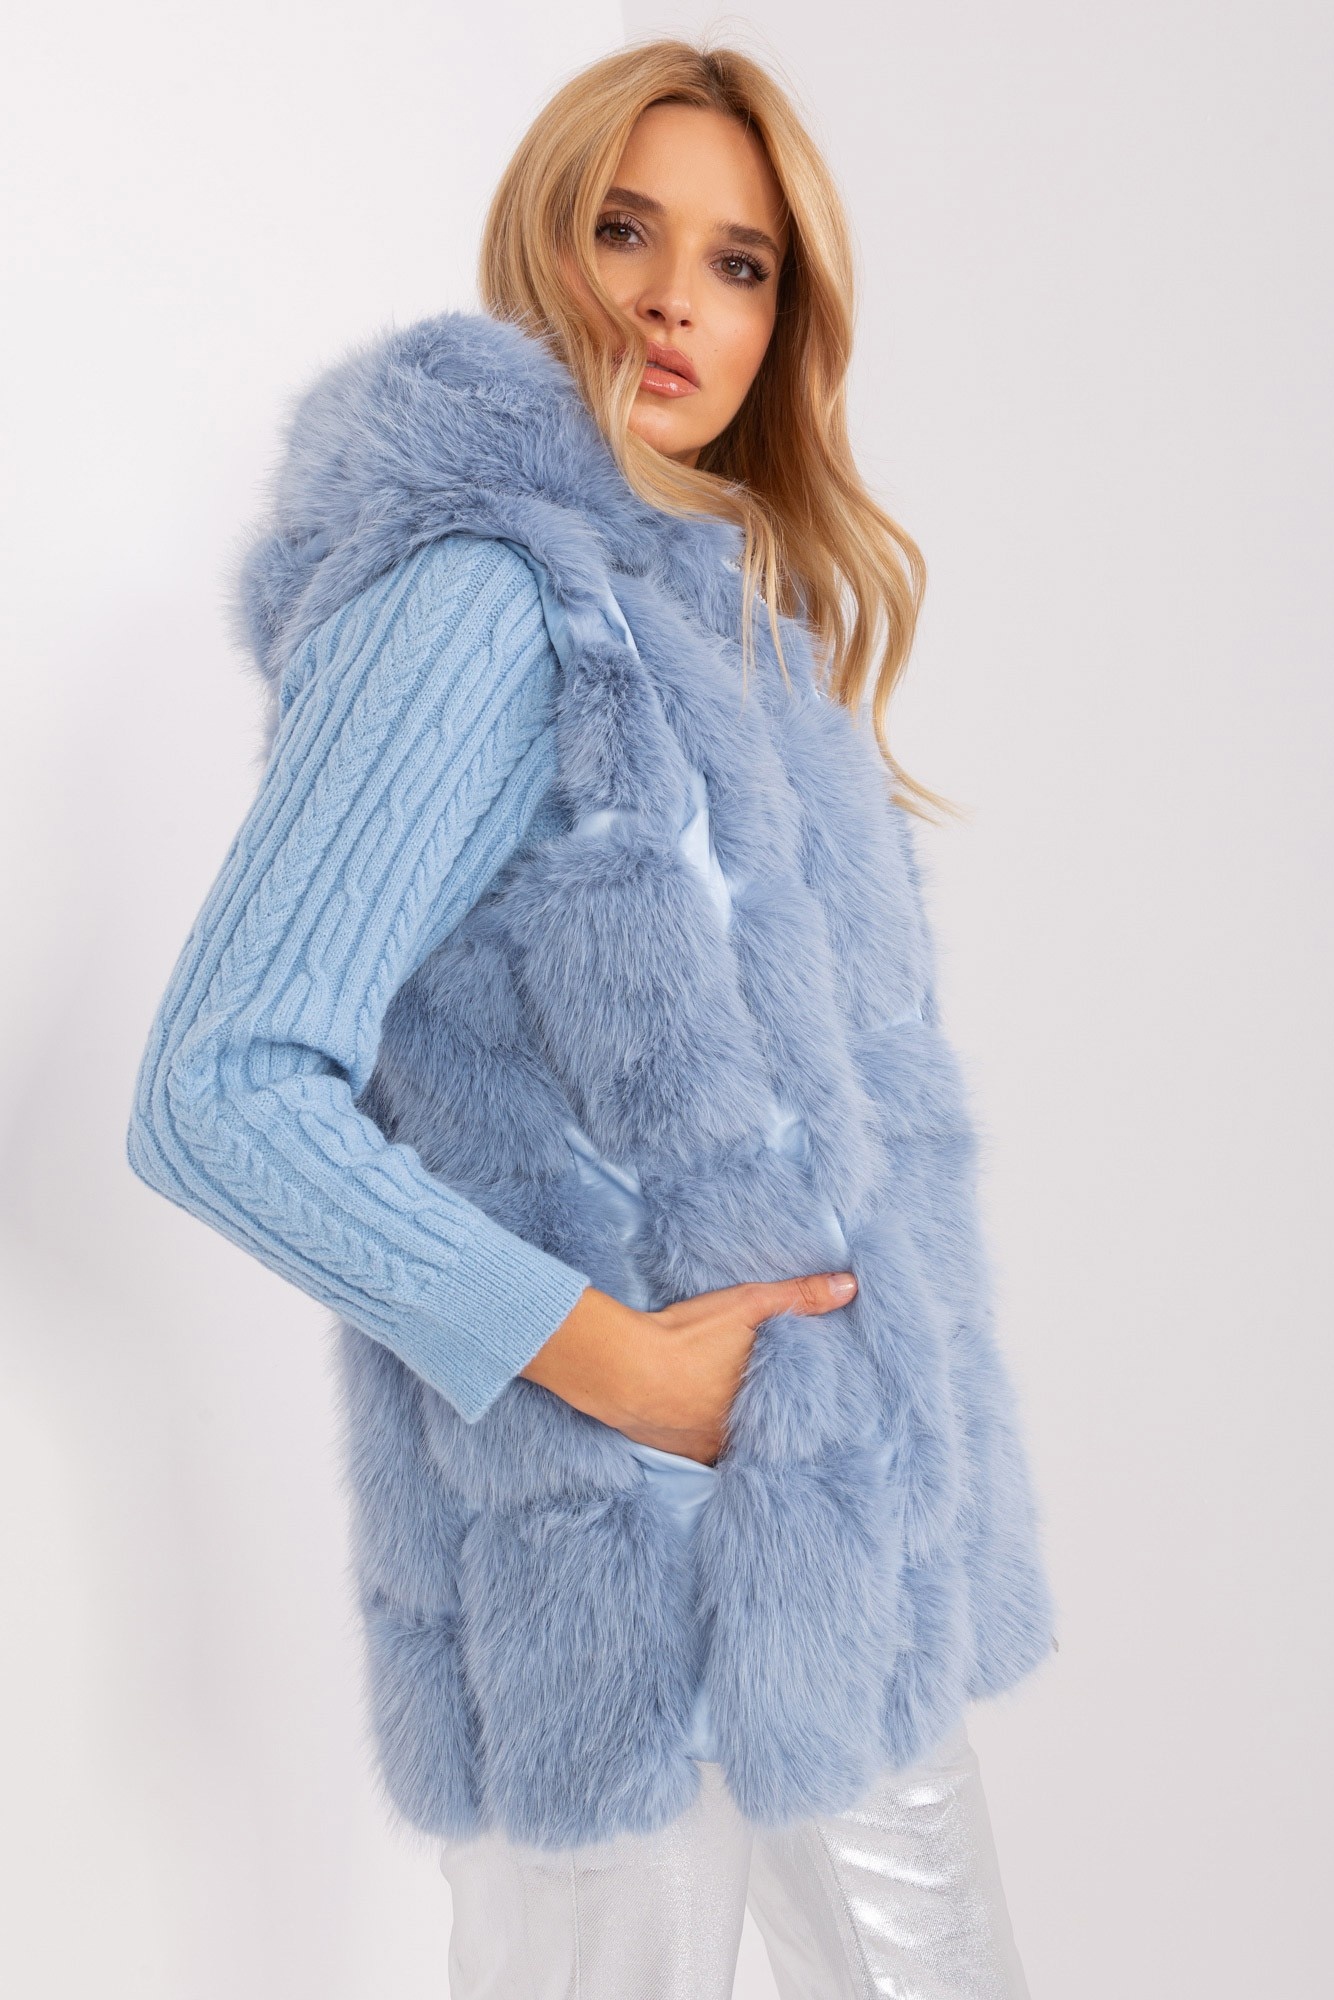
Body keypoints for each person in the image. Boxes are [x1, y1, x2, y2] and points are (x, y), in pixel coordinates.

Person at [128, 37, 1056, 1999]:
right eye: (625, 230)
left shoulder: (733, 633)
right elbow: (219, 1089)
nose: (670, 300)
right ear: (540, 244)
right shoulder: (480, 602)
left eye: (739, 263)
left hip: (835, 1562)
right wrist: (618, 1370)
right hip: (604, 1586)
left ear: (784, 321)